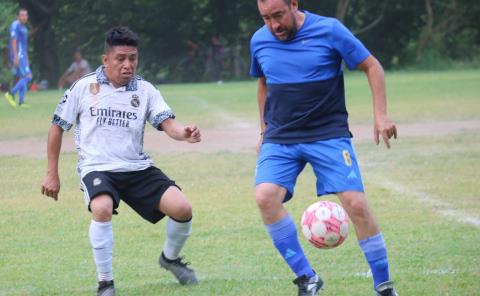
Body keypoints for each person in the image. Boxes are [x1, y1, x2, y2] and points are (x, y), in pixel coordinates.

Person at [249, 1, 398, 295]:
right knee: (265, 197)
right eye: (266, 18)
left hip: (327, 134)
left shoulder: (329, 30)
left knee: (356, 204)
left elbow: (372, 66)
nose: (273, 25)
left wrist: (381, 115)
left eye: (278, 15)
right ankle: (307, 278)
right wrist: (264, 130)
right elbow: (264, 83)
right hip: (281, 136)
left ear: (294, 4)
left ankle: (384, 286)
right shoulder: (259, 39)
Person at [41, 27, 201, 296]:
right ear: (106, 60)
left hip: (136, 167)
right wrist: (51, 174)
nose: (128, 65)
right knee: (101, 207)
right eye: (121, 58)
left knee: (183, 209)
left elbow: (168, 124)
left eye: (133, 58)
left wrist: (183, 133)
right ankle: (106, 283)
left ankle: (170, 259)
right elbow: (57, 127)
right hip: (97, 167)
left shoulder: (146, 90)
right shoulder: (84, 87)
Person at [5, 8, 32, 108]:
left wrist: (27, 58)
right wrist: (16, 57)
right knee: (28, 76)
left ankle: (21, 102)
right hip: (18, 56)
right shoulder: (15, 25)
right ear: (17, 16)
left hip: (23, 56)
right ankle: (11, 93)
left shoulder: (24, 29)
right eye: (22, 15)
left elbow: (24, 46)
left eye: (26, 15)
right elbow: (14, 41)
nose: (24, 17)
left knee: (23, 77)